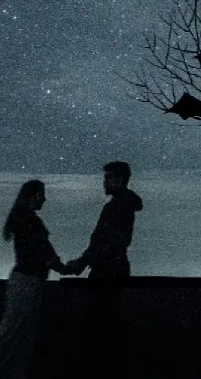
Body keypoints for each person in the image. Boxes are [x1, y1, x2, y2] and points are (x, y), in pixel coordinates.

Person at [64, 161, 142, 378]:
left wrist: (81, 263)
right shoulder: (123, 205)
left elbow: (104, 242)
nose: (104, 181)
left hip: (107, 272)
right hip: (113, 269)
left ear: (118, 179)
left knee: (99, 323)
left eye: (108, 177)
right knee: (108, 322)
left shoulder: (116, 207)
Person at [0, 179, 67, 378]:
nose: (44, 199)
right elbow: (43, 252)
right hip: (27, 283)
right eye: (41, 194)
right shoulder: (29, 221)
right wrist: (63, 267)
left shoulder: (23, 219)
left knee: (17, 335)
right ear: (32, 196)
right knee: (14, 335)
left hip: (26, 282)